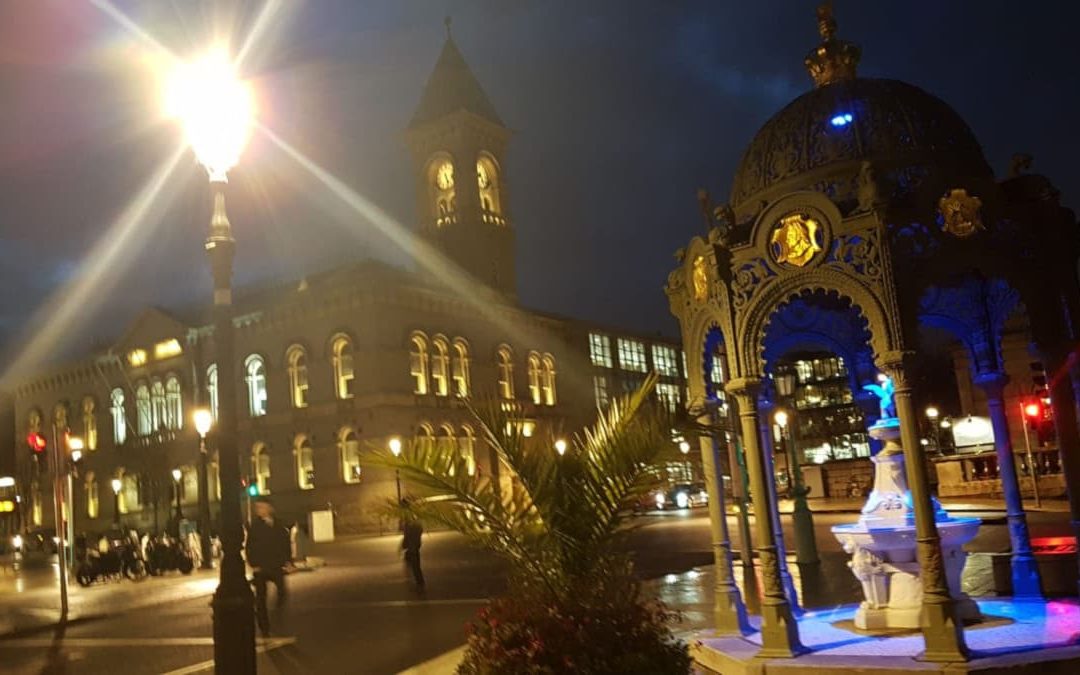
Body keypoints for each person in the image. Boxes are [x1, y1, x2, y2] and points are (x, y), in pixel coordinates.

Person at [245, 497, 292, 636]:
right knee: (260, 598)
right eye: (257, 507)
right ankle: (264, 625)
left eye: (261, 507)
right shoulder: (255, 526)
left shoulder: (278, 524)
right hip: (261, 566)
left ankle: (276, 614)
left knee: (283, 591)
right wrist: (254, 564)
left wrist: (287, 561)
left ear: (269, 508)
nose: (259, 510)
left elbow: (284, 543)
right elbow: (250, 547)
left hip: (276, 565)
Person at [401, 510, 425, 591]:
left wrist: (404, 544)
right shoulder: (416, 526)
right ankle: (419, 581)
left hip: (412, 547)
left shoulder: (411, 526)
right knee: (415, 565)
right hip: (414, 547)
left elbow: (407, 536)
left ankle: (419, 582)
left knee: (415, 566)